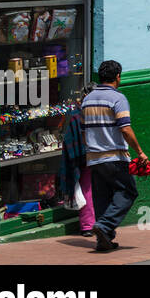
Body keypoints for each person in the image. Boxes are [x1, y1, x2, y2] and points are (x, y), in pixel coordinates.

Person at [82, 60, 148, 252]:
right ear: (118, 77)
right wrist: (140, 152)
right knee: (128, 192)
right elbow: (125, 129)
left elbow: (85, 132)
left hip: (94, 158)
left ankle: (105, 240)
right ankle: (104, 226)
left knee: (102, 198)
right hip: (114, 156)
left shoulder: (87, 99)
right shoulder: (117, 98)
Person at [57, 89, 95, 236]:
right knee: (88, 189)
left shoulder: (78, 115)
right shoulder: (80, 115)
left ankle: (89, 225)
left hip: (88, 156)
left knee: (89, 189)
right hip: (87, 157)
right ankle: (89, 225)